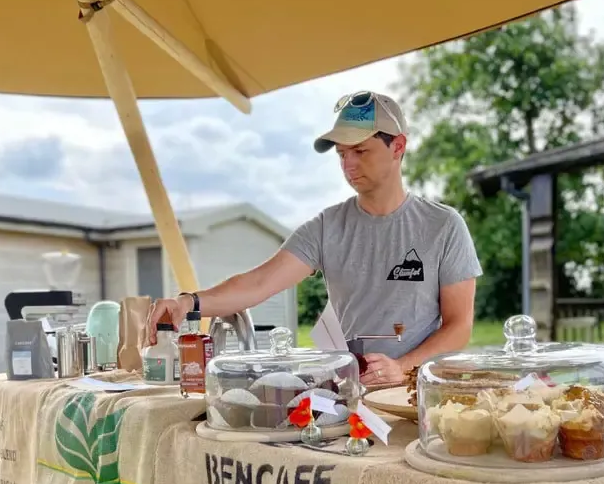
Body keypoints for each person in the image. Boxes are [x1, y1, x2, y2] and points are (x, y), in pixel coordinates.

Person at [146, 90, 482, 386]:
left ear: (398, 146)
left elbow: (459, 326)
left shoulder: (443, 226)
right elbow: (258, 283)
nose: (348, 164)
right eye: (341, 154)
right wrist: (187, 302)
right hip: (351, 392)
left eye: (360, 151)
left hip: (416, 393)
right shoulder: (327, 226)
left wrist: (402, 367)